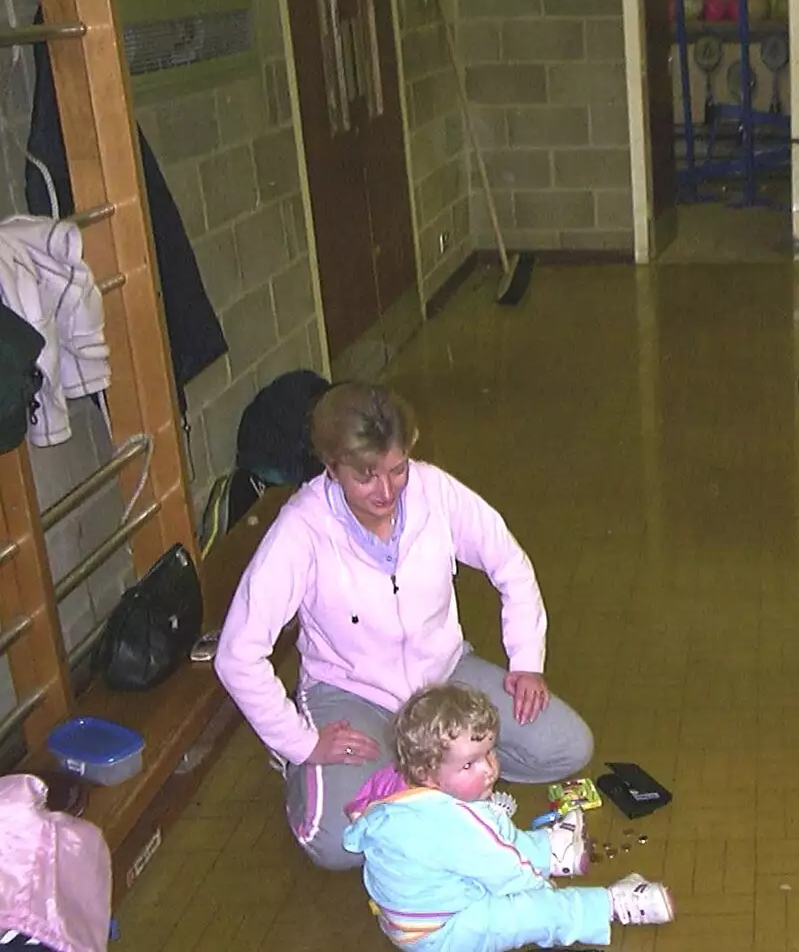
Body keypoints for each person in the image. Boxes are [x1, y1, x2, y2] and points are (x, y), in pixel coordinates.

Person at [215, 381, 594, 871]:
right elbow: (236, 653)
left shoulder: (434, 490)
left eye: (397, 469)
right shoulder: (301, 530)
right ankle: (313, 770)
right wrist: (300, 741)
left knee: (568, 747)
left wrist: (526, 662)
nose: (387, 491)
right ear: (332, 468)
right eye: (366, 476)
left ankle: (416, 777)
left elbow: (511, 566)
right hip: (351, 694)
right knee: (337, 846)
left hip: (443, 677)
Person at [342, 684, 673, 951]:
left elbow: (360, 813)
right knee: (530, 912)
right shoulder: (454, 822)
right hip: (445, 932)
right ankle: (609, 905)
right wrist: (542, 888)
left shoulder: (398, 786)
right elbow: (509, 872)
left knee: (493, 832)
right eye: (469, 764)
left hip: (415, 911)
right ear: (426, 771)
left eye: (489, 752)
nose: (489, 769)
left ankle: (550, 849)